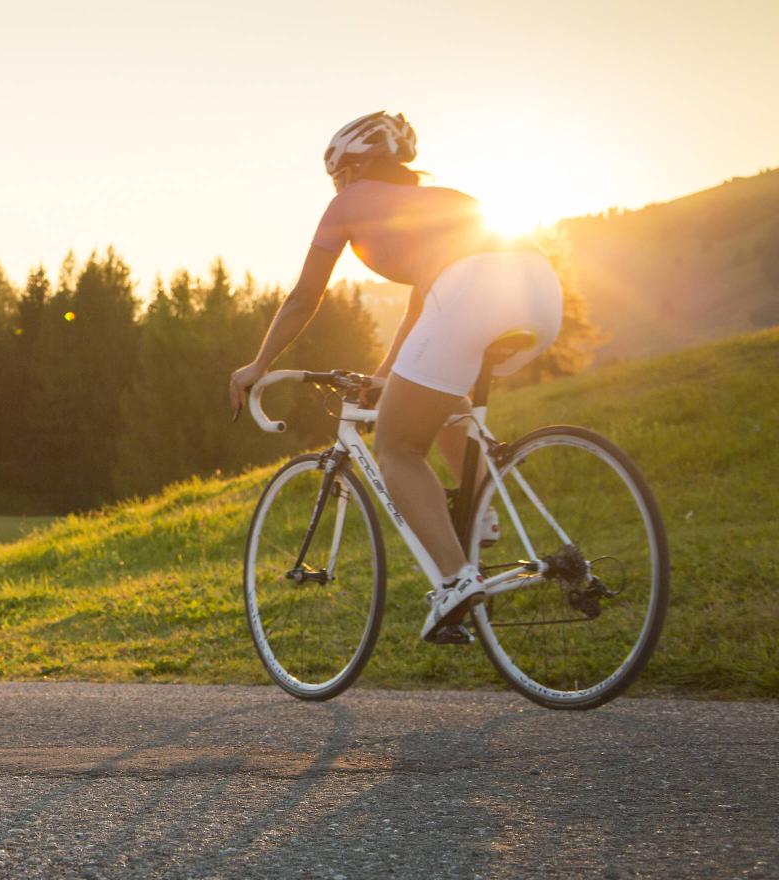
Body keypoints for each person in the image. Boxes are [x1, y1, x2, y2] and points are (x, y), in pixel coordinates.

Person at [227, 111, 563, 642]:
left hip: (470, 290)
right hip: (539, 288)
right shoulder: (442, 202)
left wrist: (259, 363)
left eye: (338, 174)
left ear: (355, 168)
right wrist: (386, 376)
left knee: (397, 449)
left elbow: (303, 298)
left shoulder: (348, 203)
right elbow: (422, 309)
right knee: (443, 400)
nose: (337, 186)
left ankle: (456, 581)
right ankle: (482, 515)